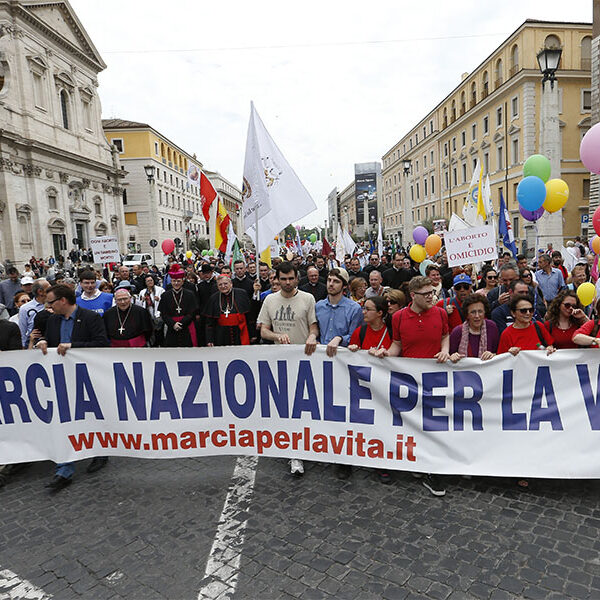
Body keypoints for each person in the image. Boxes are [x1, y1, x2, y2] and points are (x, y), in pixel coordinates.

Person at [372, 275, 449, 497]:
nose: (431, 298)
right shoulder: (397, 317)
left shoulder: (440, 313)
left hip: (435, 378)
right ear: (413, 296)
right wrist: (387, 354)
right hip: (409, 379)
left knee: (433, 425)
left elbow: (445, 335)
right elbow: (397, 343)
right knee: (413, 425)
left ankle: (432, 471)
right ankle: (417, 464)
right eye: (426, 295)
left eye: (432, 293)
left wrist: (445, 348)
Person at [35, 284, 110, 489]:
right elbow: (50, 342)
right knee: (62, 420)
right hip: (61, 378)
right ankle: (64, 469)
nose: (48, 306)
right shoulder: (52, 320)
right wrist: (41, 342)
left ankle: (99, 452)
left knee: (90, 416)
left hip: (86, 377)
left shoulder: (91, 318)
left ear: (63, 301)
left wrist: (74, 347)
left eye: (51, 302)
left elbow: (102, 344)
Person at [257, 262, 318, 476]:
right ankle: (295, 453)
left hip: (305, 360)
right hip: (280, 361)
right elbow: (263, 330)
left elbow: (313, 325)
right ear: (277, 279)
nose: (287, 282)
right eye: (283, 279)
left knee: (306, 406)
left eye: (291, 278)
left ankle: (312, 443)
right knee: (288, 408)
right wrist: (276, 336)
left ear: (297, 278)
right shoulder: (270, 300)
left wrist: (312, 336)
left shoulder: (308, 299)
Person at [315, 267, 363, 480]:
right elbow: (314, 328)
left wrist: (341, 339)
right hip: (320, 362)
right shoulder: (318, 306)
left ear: (344, 286)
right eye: (329, 280)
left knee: (343, 409)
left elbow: (356, 335)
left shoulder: (354, 309)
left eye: (335, 281)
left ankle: (344, 458)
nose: (330, 284)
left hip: (343, 364)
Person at [347, 295, 393, 484]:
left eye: (368, 309)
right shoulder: (361, 332)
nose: (363, 312)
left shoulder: (392, 332)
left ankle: (382, 463)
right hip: (364, 388)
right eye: (363, 308)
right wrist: (352, 350)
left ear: (380, 313)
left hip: (386, 388)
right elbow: (352, 355)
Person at [158, 264, 199, 347]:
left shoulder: (190, 294)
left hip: (187, 326)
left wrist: (182, 323)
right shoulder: (165, 295)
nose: (176, 283)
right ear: (171, 281)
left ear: (182, 281)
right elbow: (164, 313)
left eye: (178, 281)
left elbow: (192, 312)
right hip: (171, 327)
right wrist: (173, 324)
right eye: (174, 281)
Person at [449, 294, 499, 361]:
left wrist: (493, 355)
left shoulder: (492, 327)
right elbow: (450, 356)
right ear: (467, 315)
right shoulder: (457, 332)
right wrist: (453, 356)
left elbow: (498, 353)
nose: (477, 316)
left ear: (485, 312)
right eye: (473, 312)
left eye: (480, 311)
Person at [205, 274, 251, 346]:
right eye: (220, 284)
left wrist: (252, 333)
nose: (223, 286)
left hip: (239, 332)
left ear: (231, 284)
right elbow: (209, 323)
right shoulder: (214, 298)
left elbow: (249, 317)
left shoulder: (241, 293)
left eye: (225, 283)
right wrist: (209, 339)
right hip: (221, 334)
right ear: (217, 286)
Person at [18, 279, 50, 348]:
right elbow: (22, 330)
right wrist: (23, 347)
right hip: (33, 345)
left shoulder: (55, 304)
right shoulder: (25, 308)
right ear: (40, 292)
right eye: (49, 288)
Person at [138, 274, 165, 346]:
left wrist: (159, 299)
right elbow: (139, 304)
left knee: (159, 332)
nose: (150, 282)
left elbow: (165, 301)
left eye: (151, 280)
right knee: (151, 333)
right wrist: (142, 300)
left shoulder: (160, 290)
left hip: (158, 315)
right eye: (147, 281)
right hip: (148, 315)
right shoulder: (143, 292)